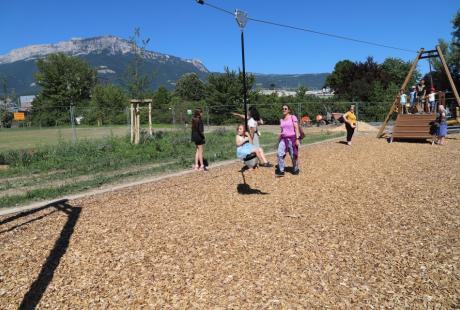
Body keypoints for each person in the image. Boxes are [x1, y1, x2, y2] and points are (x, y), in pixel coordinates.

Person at [275, 104, 300, 177]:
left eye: (285, 109)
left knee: (293, 156)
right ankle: (281, 170)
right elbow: (282, 130)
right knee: (279, 153)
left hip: (292, 139)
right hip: (283, 139)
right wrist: (279, 137)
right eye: (283, 109)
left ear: (289, 110)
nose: (284, 110)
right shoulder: (281, 119)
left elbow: (296, 128)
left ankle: (295, 169)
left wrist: (297, 139)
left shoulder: (293, 117)